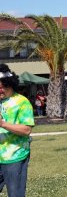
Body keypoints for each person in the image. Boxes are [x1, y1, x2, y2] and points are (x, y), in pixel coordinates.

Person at [0, 64, 34, 196]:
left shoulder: (22, 102)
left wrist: (3, 123)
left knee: (15, 194)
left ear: (11, 84)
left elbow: (26, 130)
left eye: (4, 87)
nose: (0, 90)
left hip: (15, 157)